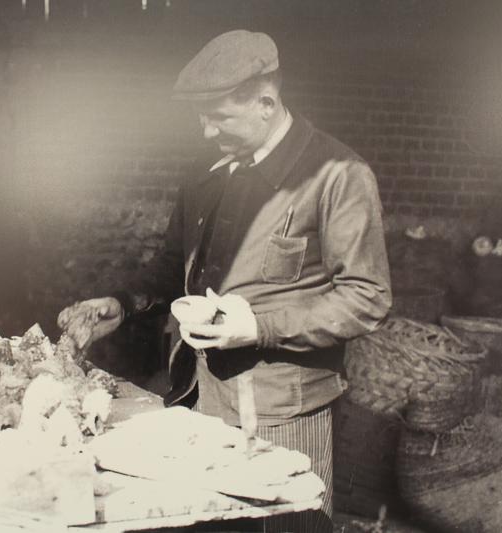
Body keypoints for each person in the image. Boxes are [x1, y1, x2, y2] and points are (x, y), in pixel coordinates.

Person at [59, 29, 392, 532]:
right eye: (201, 118)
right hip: (194, 397)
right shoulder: (207, 174)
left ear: (265, 102)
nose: (207, 133)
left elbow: (367, 297)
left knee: (288, 526)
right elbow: (173, 264)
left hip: (282, 413)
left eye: (219, 118)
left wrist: (258, 326)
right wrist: (122, 302)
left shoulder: (337, 175)